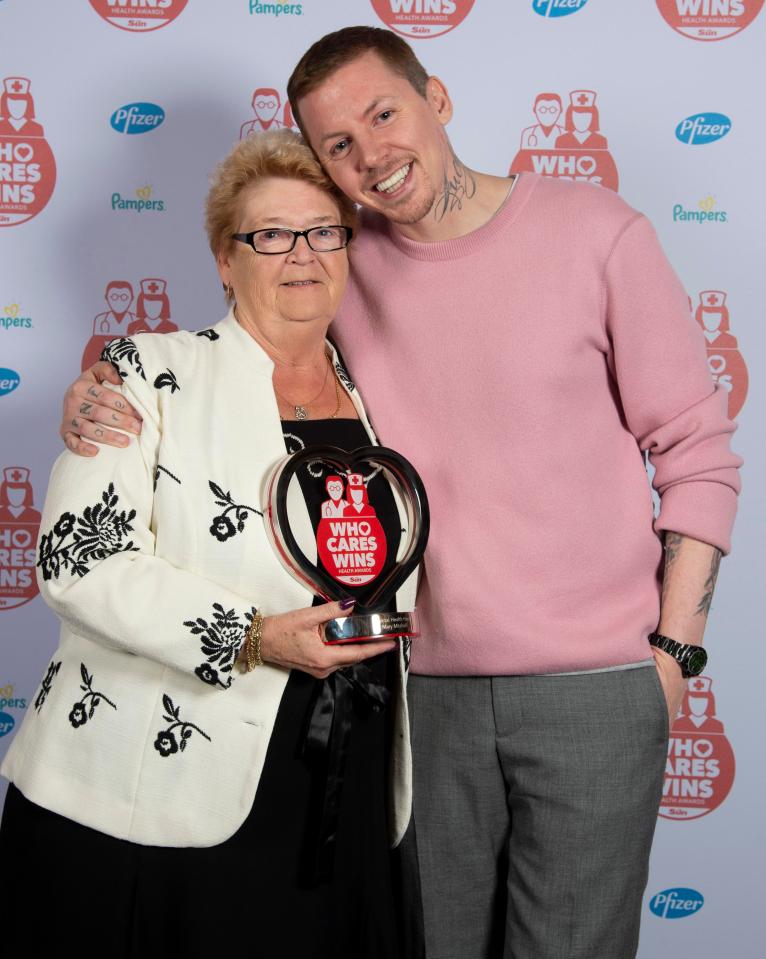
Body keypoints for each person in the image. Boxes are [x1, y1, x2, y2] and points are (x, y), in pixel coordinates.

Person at [58, 25, 741, 959]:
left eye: (385, 114)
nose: (371, 155)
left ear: (439, 100)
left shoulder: (597, 233)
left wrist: (672, 654)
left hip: (598, 686)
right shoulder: (338, 260)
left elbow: (698, 449)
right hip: (423, 701)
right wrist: (106, 381)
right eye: (339, 144)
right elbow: (245, 343)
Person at [1, 129, 418, 958]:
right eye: (269, 235)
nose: (300, 253)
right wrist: (255, 635)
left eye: (322, 230)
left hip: (350, 778)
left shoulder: (384, 392)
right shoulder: (147, 371)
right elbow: (80, 562)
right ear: (226, 261)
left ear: (347, 248)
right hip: (161, 788)